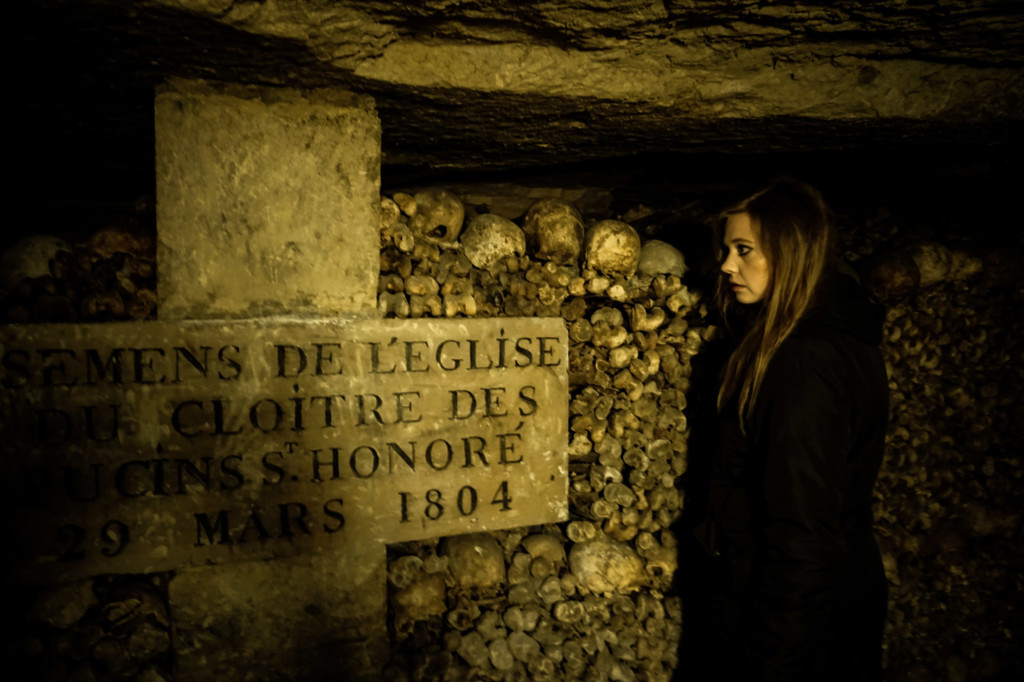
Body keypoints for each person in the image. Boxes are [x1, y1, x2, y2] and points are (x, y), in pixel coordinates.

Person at [695, 177, 889, 681]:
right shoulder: (837, 335)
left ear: (790, 252)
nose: (726, 265)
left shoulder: (804, 360)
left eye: (744, 250)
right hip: (816, 606)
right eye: (726, 249)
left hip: (793, 624)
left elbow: (803, 537)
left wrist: (766, 665)